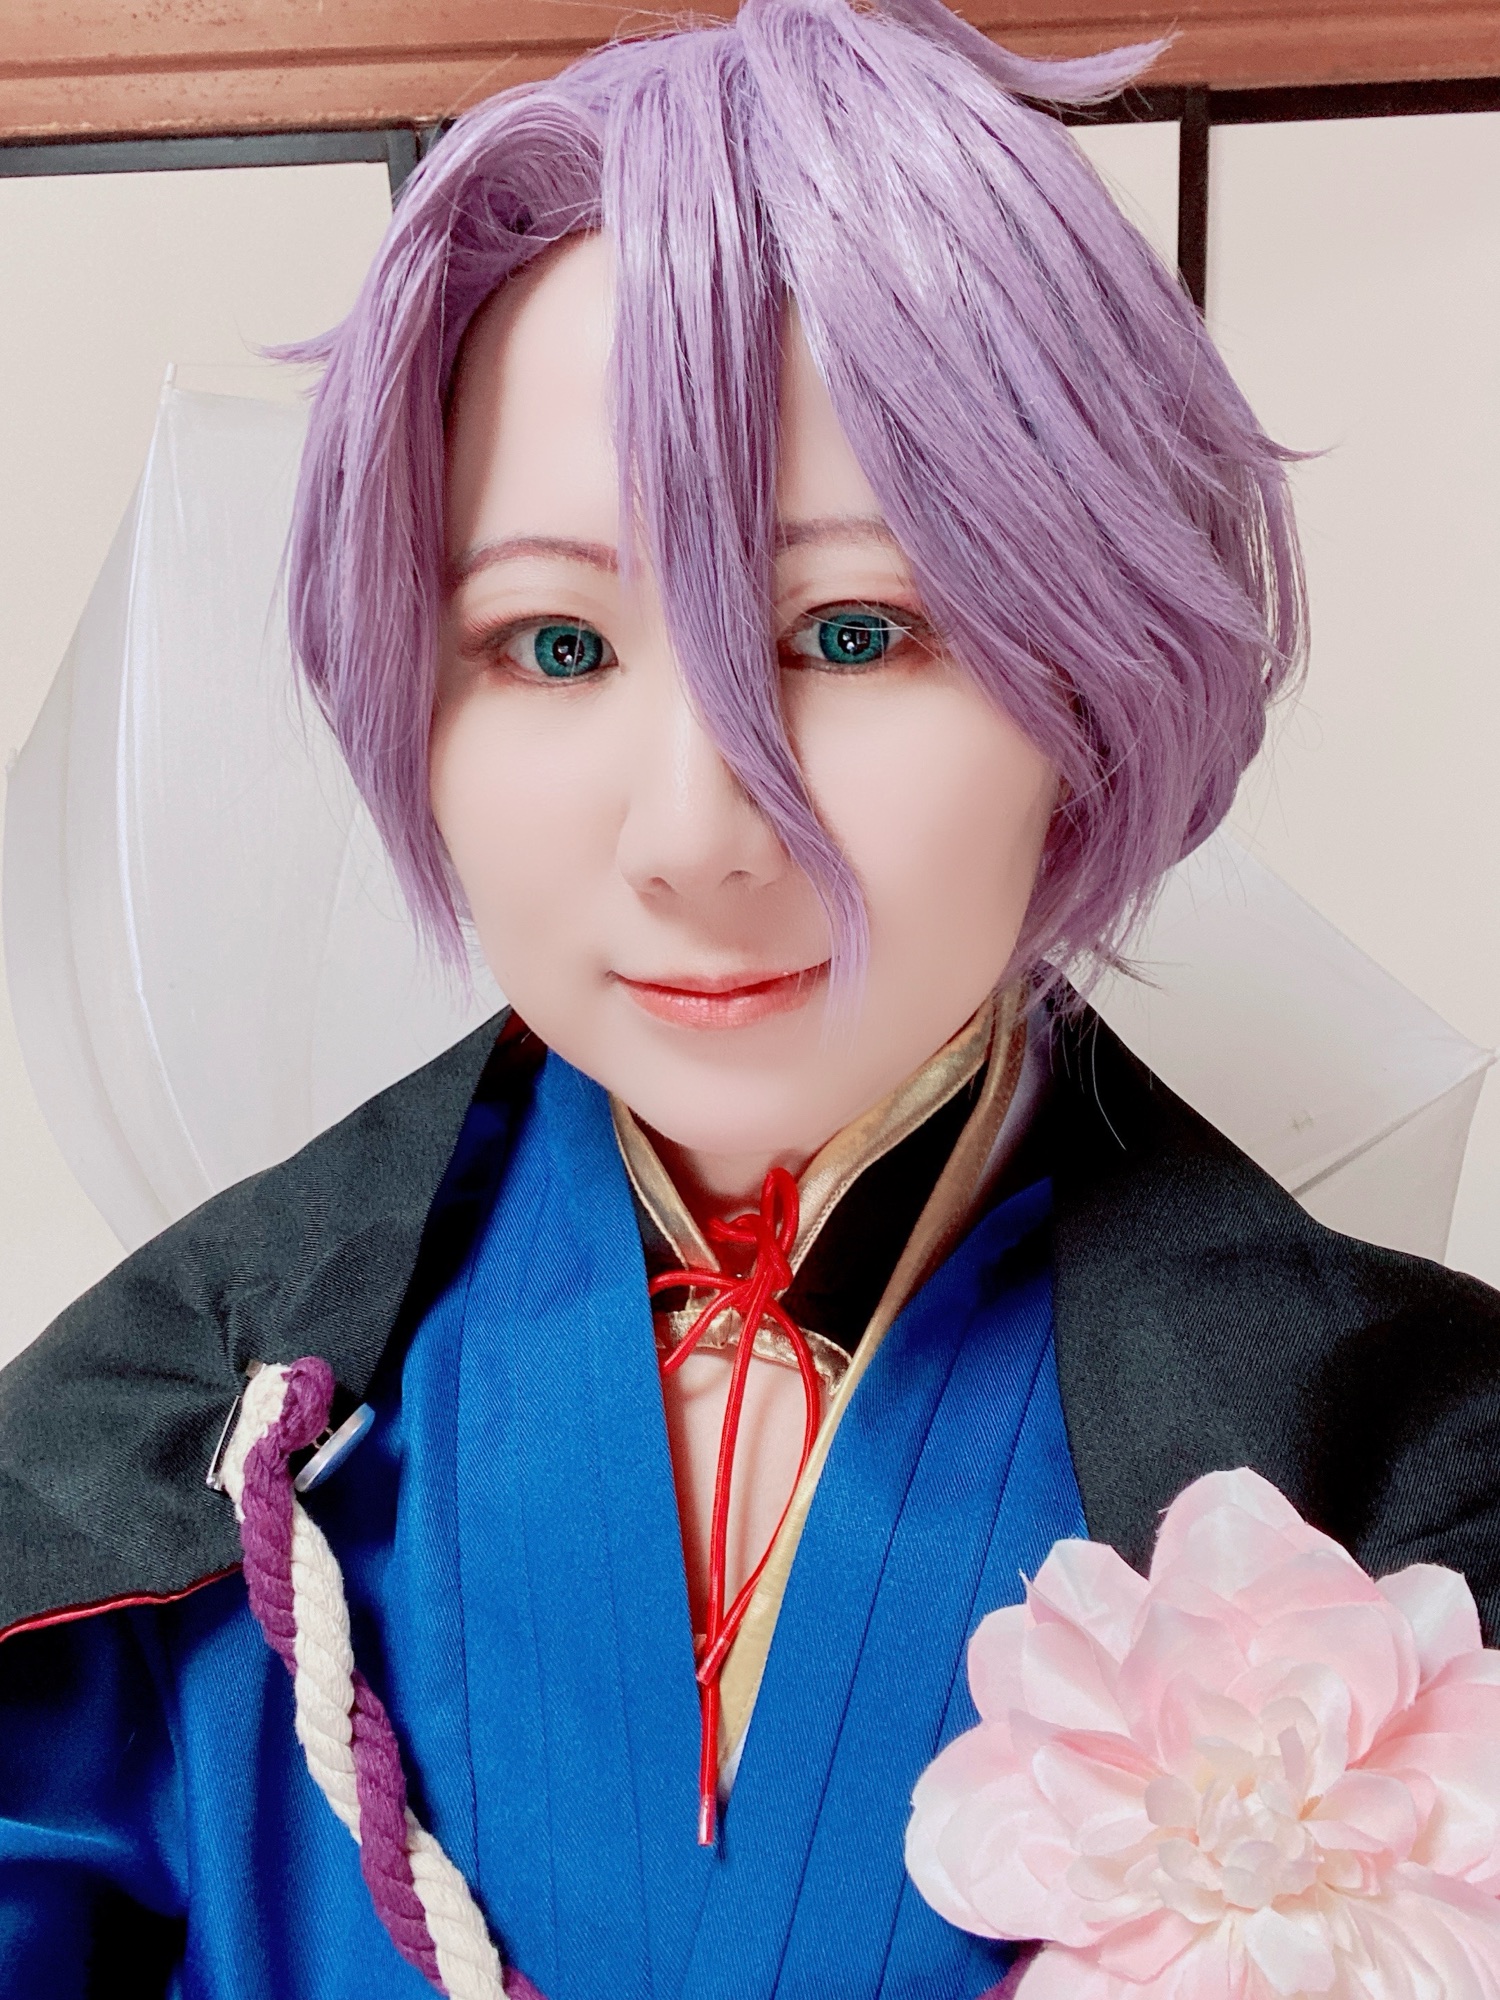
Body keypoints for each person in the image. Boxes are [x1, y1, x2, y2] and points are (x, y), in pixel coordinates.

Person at [2, 0, 1498, 1994]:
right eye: (552, 643)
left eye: (851, 632)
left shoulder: (1402, 1470)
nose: (699, 833)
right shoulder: (189, 1443)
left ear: (1090, 673)